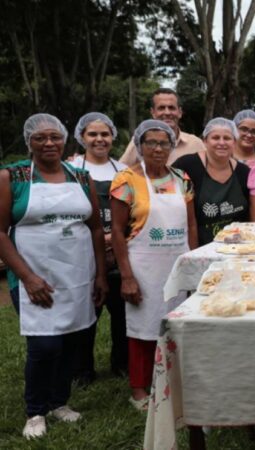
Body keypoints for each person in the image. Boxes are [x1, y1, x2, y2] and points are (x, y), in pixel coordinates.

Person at [0, 114, 107, 438]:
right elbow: (1, 232)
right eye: (40, 138)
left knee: (73, 340)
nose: (49, 143)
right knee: (45, 346)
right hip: (34, 276)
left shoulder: (80, 176)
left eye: (55, 137)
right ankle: (35, 411)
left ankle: (59, 402)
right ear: (29, 141)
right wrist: (27, 278)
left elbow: (93, 227)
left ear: (64, 140)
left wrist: (101, 275)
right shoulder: (13, 176)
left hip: (76, 274)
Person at [110, 120, 198, 411]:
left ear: (172, 147)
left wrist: (194, 264)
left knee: (175, 323)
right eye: (152, 143)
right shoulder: (126, 181)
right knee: (143, 327)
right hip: (143, 265)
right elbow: (119, 234)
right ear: (139, 146)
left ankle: (172, 381)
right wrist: (126, 276)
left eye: (165, 143)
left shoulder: (181, 178)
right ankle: (139, 389)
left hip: (177, 262)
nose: (159, 148)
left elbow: (191, 224)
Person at [70, 113, 129, 384]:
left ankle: (121, 362)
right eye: (93, 134)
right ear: (82, 137)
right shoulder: (70, 169)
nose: (99, 139)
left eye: (105, 134)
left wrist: (114, 237)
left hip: (118, 252)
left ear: (113, 137)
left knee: (121, 313)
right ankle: (82, 369)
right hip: (83, 252)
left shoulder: (123, 169)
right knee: (85, 314)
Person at [173, 118, 250, 245]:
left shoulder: (243, 172)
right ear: (205, 141)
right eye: (215, 138)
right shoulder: (187, 165)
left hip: (236, 248)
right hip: (197, 246)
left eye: (227, 138)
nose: (221, 142)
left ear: (234, 142)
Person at [118, 88, 205, 166]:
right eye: (161, 108)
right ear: (153, 113)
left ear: (180, 112)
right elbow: (120, 171)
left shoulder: (195, 144)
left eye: (171, 108)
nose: (167, 113)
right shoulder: (140, 142)